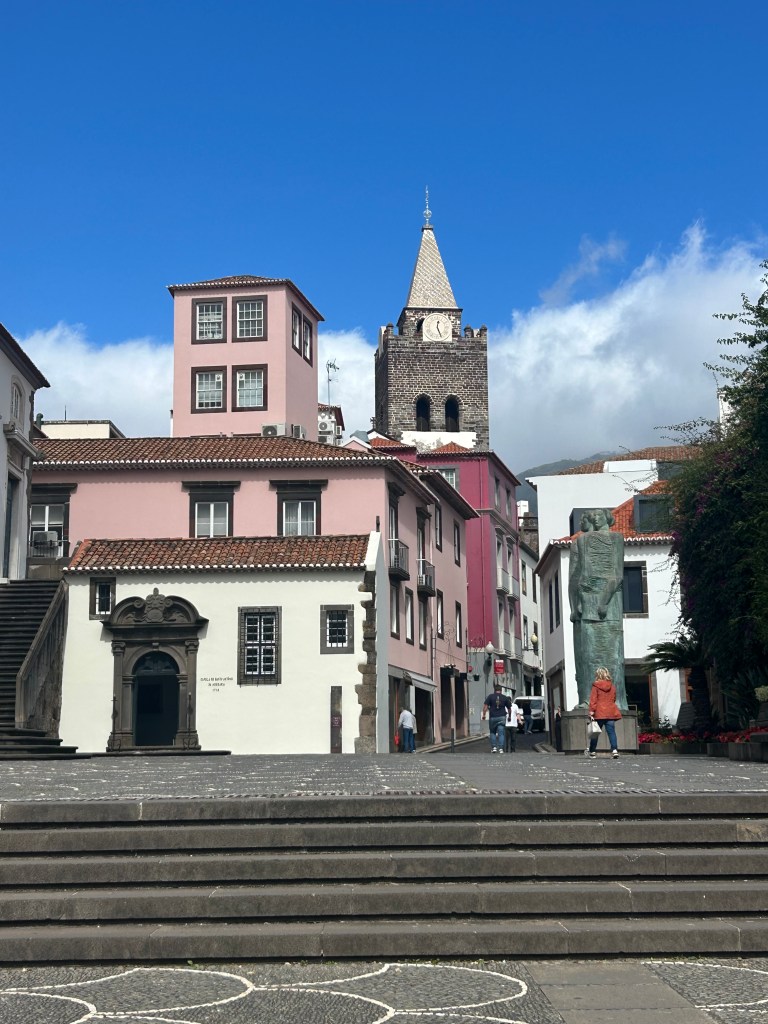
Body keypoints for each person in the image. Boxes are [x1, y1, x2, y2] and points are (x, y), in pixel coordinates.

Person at [587, 666, 622, 759]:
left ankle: (592, 751)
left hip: (599, 713)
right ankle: (614, 750)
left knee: (595, 732)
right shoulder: (612, 686)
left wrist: (591, 711)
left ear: (598, 675)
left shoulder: (596, 686)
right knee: (611, 732)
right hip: (610, 712)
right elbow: (614, 698)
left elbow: (593, 699)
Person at [482, 682, 511, 754]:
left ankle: (494, 748)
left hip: (493, 717)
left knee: (492, 732)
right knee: (501, 733)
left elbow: (485, 706)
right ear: (501, 690)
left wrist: (484, 715)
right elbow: (509, 708)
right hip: (502, 717)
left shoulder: (490, 696)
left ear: (494, 690)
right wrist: (509, 716)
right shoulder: (504, 697)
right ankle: (501, 749)